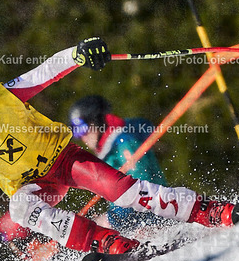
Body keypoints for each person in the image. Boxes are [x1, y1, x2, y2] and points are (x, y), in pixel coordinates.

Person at [0, 37, 239, 261]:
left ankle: (210, 211)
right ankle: (110, 243)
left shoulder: (5, 97)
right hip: (36, 187)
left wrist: (79, 53)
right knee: (20, 208)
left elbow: (47, 71)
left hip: (65, 160)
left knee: (123, 192)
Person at [67, 95, 169, 233]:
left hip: (158, 222)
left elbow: (143, 189)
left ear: (97, 121)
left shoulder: (124, 143)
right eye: (76, 131)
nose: (82, 136)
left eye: (82, 128)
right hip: (140, 226)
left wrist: (110, 220)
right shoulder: (108, 152)